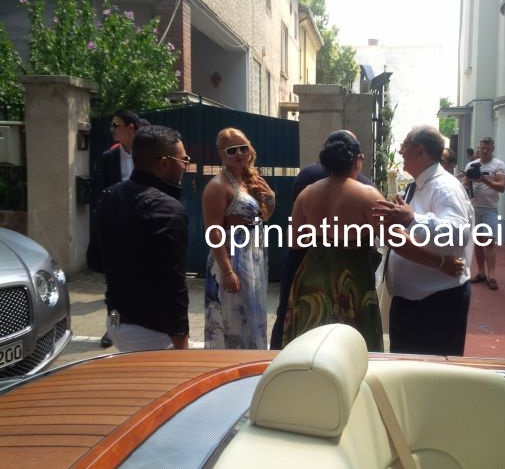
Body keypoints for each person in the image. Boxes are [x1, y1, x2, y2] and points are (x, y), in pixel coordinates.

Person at [283, 130, 464, 352]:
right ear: (356, 160)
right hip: (351, 284)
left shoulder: (306, 194)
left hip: (312, 281)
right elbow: (398, 242)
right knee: (351, 348)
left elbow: (295, 242)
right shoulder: (367, 195)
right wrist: (440, 262)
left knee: (312, 347)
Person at [373, 126, 474, 356]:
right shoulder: (418, 185)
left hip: (436, 303)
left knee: (433, 369)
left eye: (404, 146)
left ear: (419, 150)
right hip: (413, 300)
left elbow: (458, 233)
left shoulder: (444, 187)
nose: (400, 151)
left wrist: (412, 219)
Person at [96, 125, 190, 351]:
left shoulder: (111, 195)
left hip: (116, 321)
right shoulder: (167, 210)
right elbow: (173, 284)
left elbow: (95, 259)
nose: (185, 167)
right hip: (152, 332)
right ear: (164, 163)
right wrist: (181, 342)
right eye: (184, 160)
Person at [269, 156, 373, 349]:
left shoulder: (308, 186)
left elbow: (295, 241)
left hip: (310, 267)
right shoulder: (366, 190)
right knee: (351, 333)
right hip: (352, 277)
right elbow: (389, 237)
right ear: (356, 160)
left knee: (304, 326)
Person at [202, 128, 275, 349]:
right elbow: (213, 232)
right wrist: (227, 272)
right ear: (221, 155)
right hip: (232, 258)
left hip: (253, 258)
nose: (240, 154)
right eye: (232, 150)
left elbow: (262, 217)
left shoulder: (251, 179)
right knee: (233, 319)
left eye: (243, 148)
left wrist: (271, 199)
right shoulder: (217, 186)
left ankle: (252, 359)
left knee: (253, 317)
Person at [97, 109, 149, 348]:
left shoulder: (148, 153)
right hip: (118, 224)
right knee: (115, 280)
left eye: (115, 125)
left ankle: (144, 322)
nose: (112, 129)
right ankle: (113, 327)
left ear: (131, 127)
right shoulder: (109, 156)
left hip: (145, 223)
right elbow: (104, 191)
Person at [464, 136, 505, 290]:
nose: (485, 151)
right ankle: (481, 273)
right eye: (482, 148)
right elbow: (465, 186)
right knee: (477, 242)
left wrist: (484, 180)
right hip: (474, 208)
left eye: (488, 148)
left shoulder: (499, 164)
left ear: (493, 148)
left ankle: (491, 276)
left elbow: (502, 187)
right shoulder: (471, 165)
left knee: (489, 241)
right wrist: (467, 180)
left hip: (490, 208)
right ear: (479, 148)